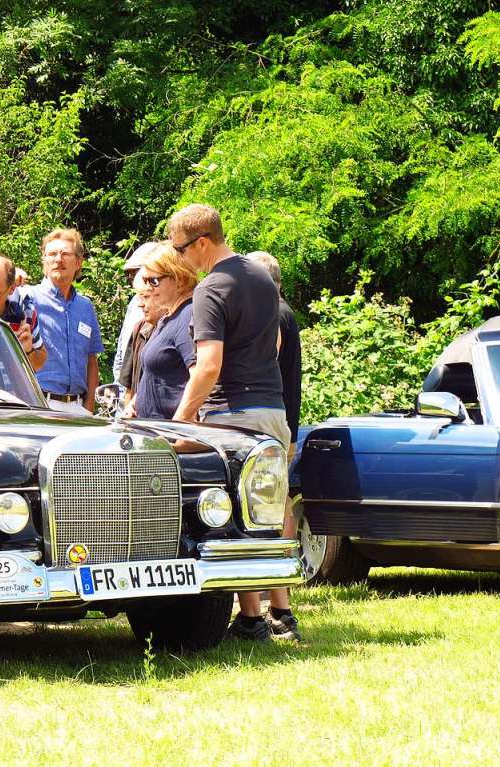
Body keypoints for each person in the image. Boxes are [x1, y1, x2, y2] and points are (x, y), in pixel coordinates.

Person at [167, 204, 290, 642]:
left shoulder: (211, 288)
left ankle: (253, 620)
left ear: (202, 242)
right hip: (272, 408)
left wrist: (180, 424)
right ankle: (273, 616)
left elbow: (207, 365)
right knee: (266, 511)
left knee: (229, 516)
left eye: (181, 250)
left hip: (233, 414)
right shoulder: (259, 274)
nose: (180, 259)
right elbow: (274, 342)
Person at [248, 250, 303, 641]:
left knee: (268, 511)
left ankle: (278, 603)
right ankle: (276, 604)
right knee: (275, 508)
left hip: (270, 423)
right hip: (283, 422)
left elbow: (271, 371)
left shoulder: (275, 315)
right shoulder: (284, 312)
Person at [31, 228, 104, 415]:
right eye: (52, 254)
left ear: (78, 262)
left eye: (65, 254)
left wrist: (88, 407)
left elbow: (91, 360)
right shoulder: (28, 298)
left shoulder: (85, 306)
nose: (58, 259)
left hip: (78, 409)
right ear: (44, 262)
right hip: (39, 404)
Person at [127, 242, 199, 419]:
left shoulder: (187, 315)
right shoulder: (168, 318)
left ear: (179, 277)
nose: (149, 288)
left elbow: (200, 376)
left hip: (169, 435)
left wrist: (180, 426)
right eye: (146, 281)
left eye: (154, 281)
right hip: (151, 431)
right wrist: (134, 404)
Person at [113, 242, 159, 393]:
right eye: (131, 274)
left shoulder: (166, 305)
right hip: (127, 390)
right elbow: (124, 346)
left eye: (136, 272)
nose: (134, 278)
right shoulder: (135, 302)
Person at [118, 271, 163, 405]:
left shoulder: (180, 326)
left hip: (168, 421)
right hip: (138, 417)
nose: (140, 304)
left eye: (146, 297)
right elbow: (128, 386)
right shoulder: (139, 329)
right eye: (139, 298)